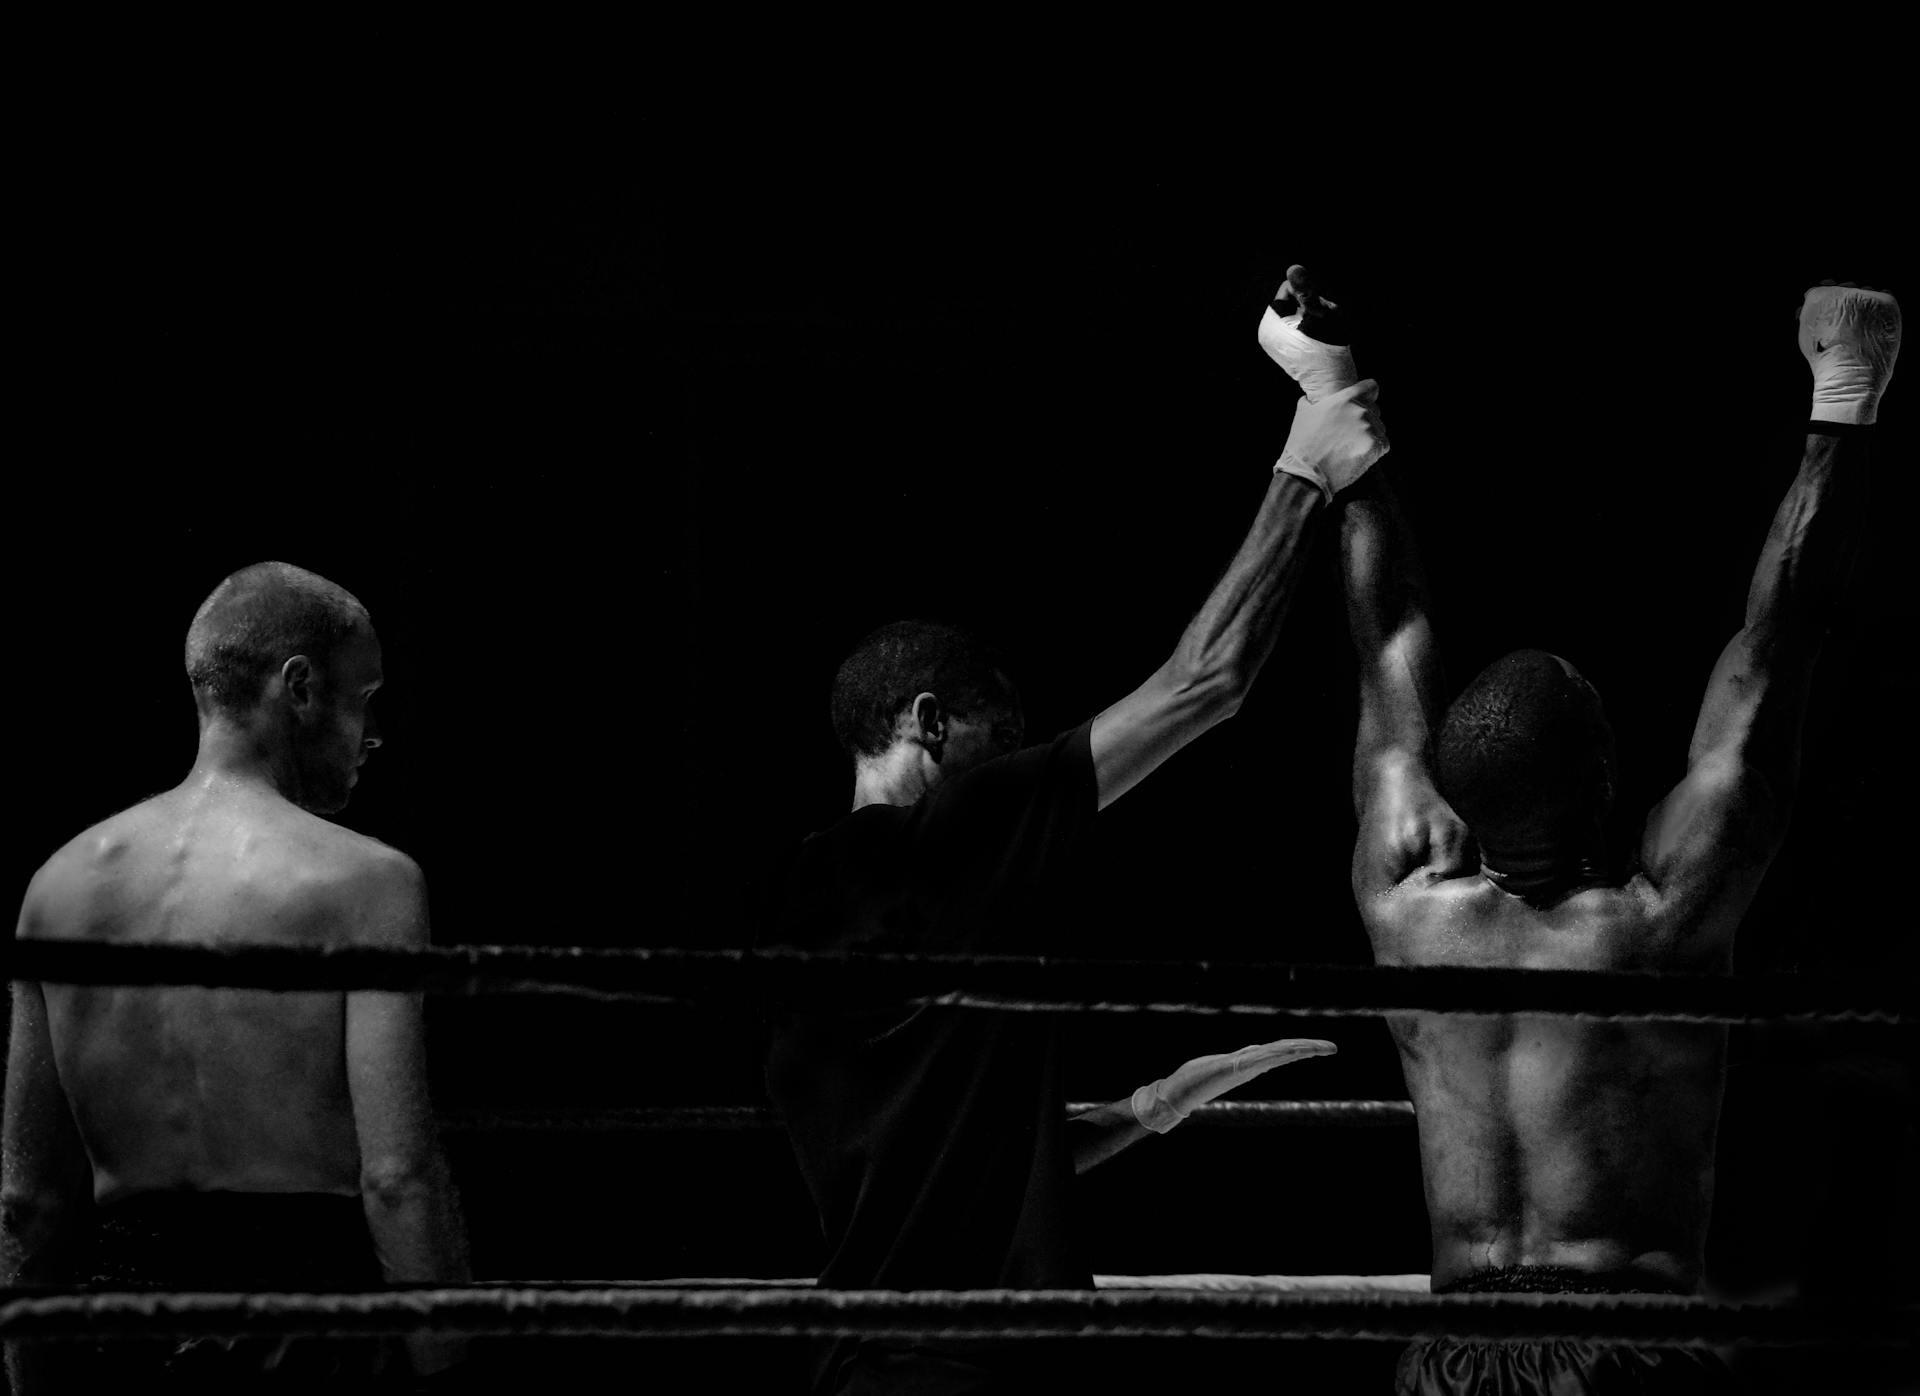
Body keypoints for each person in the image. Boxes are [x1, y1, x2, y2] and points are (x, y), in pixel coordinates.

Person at [760, 276, 1391, 1394]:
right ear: (929, 725)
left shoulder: (809, 905)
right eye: (1004, 742)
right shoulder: (957, 831)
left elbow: (956, 1163)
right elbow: (1209, 682)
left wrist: (1151, 1108)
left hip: (860, 1365)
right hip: (974, 1371)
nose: (1022, 767)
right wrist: (1310, 448)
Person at [1319, 267, 1899, 1394]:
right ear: (1605, 778)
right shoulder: (1660, 925)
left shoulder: (1402, 903)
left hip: (1452, 1359)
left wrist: (1332, 388)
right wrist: (1847, 393)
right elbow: (1781, 643)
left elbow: (1387, 636)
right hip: (1627, 1354)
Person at [3, 561, 471, 1391]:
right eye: (363, 698)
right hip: (305, 1339)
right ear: (298, 688)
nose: (373, 734)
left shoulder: (59, 886)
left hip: (122, 1341)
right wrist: (450, 1374)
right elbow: (397, 1175)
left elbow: (30, 1204)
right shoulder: (367, 882)